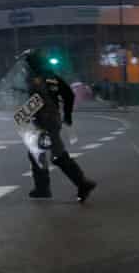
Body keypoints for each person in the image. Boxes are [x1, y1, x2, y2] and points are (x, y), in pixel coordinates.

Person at [22, 49, 97, 202]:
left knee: (56, 155)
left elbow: (38, 101)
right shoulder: (51, 77)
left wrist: (25, 113)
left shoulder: (36, 79)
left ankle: (82, 183)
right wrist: (67, 115)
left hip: (44, 121)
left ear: (33, 63)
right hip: (50, 119)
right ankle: (43, 188)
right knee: (38, 153)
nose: (26, 66)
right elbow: (68, 94)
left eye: (28, 62)